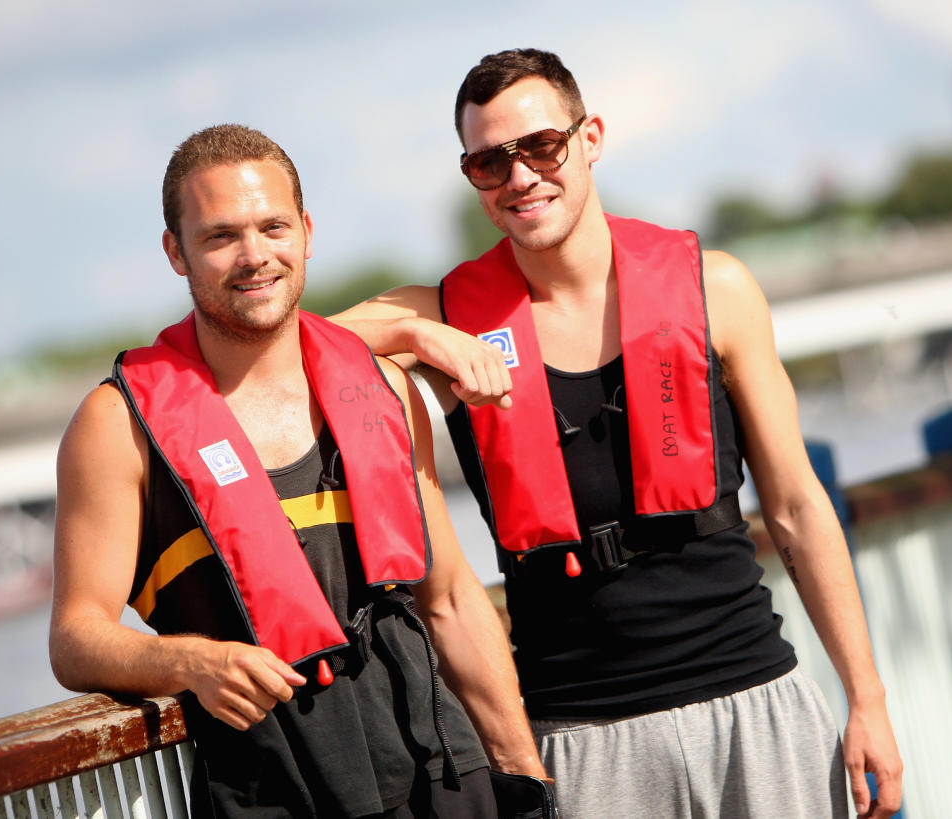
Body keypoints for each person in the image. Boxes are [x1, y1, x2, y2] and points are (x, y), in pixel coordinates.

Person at [335, 49, 903, 819]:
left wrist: (866, 700)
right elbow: (300, 343)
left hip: (754, 707)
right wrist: (420, 335)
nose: (521, 177)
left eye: (541, 146)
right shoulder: (451, 315)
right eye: (490, 163)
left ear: (590, 137)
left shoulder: (717, 287)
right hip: (583, 742)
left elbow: (799, 508)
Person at [49, 123, 549, 818]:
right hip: (272, 794)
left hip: (444, 775)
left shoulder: (385, 388)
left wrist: (526, 774)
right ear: (176, 251)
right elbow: (76, 635)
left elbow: (454, 601)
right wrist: (192, 663)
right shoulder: (115, 426)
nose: (255, 255)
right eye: (221, 236)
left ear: (306, 231)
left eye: (273, 227)